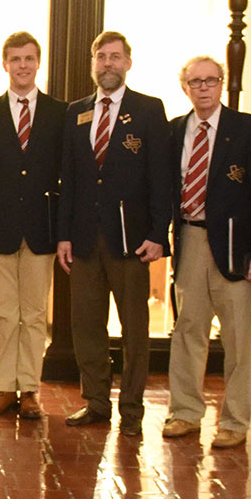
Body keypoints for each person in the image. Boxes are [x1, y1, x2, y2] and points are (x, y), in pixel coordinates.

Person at [56, 31, 173, 434]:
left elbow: (162, 178)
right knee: (86, 326)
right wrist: (64, 235)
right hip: (85, 238)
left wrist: (160, 233)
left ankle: (133, 409)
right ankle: (96, 402)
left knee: (135, 330)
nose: (108, 64)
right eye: (101, 57)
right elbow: (68, 178)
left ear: (128, 63)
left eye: (115, 57)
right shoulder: (76, 112)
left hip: (132, 241)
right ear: (93, 63)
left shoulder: (149, 110)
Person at [161, 55, 251, 449]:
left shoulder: (247, 129)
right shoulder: (174, 132)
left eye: (211, 80)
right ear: (184, 87)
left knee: (238, 338)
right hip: (189, 238)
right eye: (195, 81)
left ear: (222, 84)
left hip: (236, 245)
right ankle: (185, 412)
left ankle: (235, 421)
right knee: (188, 330)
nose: (203, 87)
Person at [0, 32, 65, 421]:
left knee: (35, 315)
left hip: (42, 228)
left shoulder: (60, 113)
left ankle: (31, 391)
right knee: (6, 313)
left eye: (28, 58)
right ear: (4, 64)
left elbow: (66, 177)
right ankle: (5, 388)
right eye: (15, 59)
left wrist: (66, 232)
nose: (22, 65)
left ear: (38, 63)